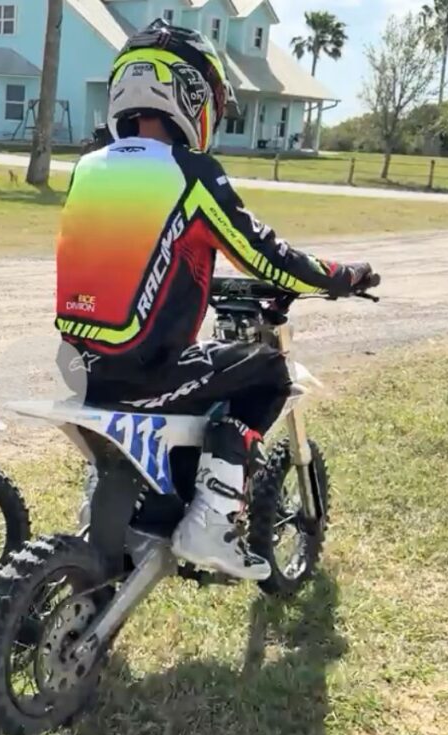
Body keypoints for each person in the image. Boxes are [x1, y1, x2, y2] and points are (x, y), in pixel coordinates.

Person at [55, 22, 378, 581]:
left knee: (203, 368)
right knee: (271, 372)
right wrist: (341, 276)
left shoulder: (88, 167)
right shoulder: (190, 173)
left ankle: (114, 502)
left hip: (81, 371)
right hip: (146, 372)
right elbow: (267, 257)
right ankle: (211, 519)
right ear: (191, 95)